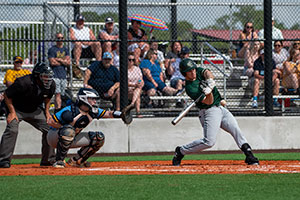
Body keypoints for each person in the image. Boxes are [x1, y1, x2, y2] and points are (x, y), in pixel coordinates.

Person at [172, 58, 259, 166]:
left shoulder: (198, 71)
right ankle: (181, 151)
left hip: (220, 108)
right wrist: (208, 93)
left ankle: (248, 154)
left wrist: (210, 82)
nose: (193, 72)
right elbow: (209, 102)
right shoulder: (191, 88)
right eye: (190, 71)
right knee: (209, 142)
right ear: (185, 73)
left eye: (193, 69)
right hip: (208, 111)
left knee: (236, 130)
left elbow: (208, 73)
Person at [47, 88, 133, 168]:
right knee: (68, 131)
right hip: (54, 137)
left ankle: (76, 161)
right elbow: (50, 122)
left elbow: (109, 113)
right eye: (92, 99)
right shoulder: (70, 110)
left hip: (72, 137)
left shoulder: (93, 111)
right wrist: (64, 127)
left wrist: (121, 114)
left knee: (99, 138)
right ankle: (59, 161)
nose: (95, 101)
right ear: (84, 99)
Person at [0, 63, 56, 168]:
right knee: (12, 129)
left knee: (50, 129)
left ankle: (48, 160)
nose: (47, 79)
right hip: (17, 109)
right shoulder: (23, 82)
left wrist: (47, 113)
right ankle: (4, 160)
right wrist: (12, 112)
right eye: (44, 76)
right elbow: (7, 95)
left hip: (34, 109)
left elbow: (48, 98)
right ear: (36, 75)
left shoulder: (51, 84)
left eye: (49, 76)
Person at [48, 33, 71, 113]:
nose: (60, 40)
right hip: (55, 74)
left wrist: (59, 60)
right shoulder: (52, 49)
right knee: (57, 94)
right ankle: (57, 110)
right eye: (58, 38)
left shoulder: (65, 50)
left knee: (62, 94)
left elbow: (68, 63)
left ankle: (60, 109)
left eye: (61, 38)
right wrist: (63, 61)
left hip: (63, 75)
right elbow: (52, 62)